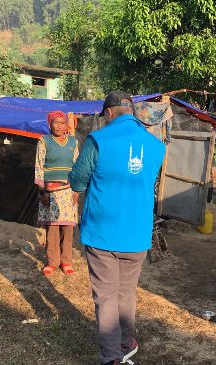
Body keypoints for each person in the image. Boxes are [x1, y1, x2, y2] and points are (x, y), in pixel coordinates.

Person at [69, 91, 165, 365]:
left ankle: (112, 358)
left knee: (106, 295)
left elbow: (78, 179)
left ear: (109, 113)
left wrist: (74, 180)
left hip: (103, 233)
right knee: (126, 291)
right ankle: (127, 341)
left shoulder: (98, 140)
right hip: (136, 234)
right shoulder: (156, 145)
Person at [34, 110, 80, 276]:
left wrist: (77, 190)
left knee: (67, 227)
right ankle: (52, 262)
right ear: (50, 124)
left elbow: (77, 168)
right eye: (56, 122)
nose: (59, 126)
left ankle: (66, 261)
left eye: (62, 122)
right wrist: (42, 190)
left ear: (67, 124)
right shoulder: (44, 141)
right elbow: (39, 166)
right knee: (52, 227)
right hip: (50, 190)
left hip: (68, 190)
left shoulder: (73, 142)